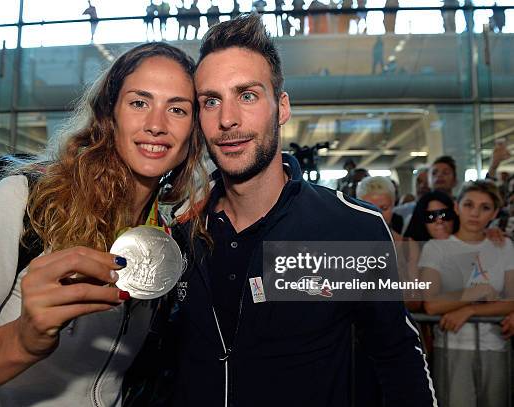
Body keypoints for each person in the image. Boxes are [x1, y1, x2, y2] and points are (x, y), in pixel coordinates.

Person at [0, 42, 207, 406]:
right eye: (139, 103)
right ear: (109, 114)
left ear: (193, 131)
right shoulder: (23, 204)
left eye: (177, 109)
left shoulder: (167, 234)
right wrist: (20, 342)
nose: (156, 125)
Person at [166, 14, 436, 406]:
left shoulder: (345, 228)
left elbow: (396, 359)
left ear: (282, 107)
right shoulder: (182, 232)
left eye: (247, 95)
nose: (228, 119)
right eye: (211, 101)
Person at [420, 181, 514, 407]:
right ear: (456, 206)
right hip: (452, 346)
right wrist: (477, 292)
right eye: (469, 204)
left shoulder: (504, 245)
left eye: (485, 207)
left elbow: (511, 301)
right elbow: (431, 304)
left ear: (494, 212)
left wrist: (470, 309)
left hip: (496, 345)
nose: (475, 213)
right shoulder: (436, 248)